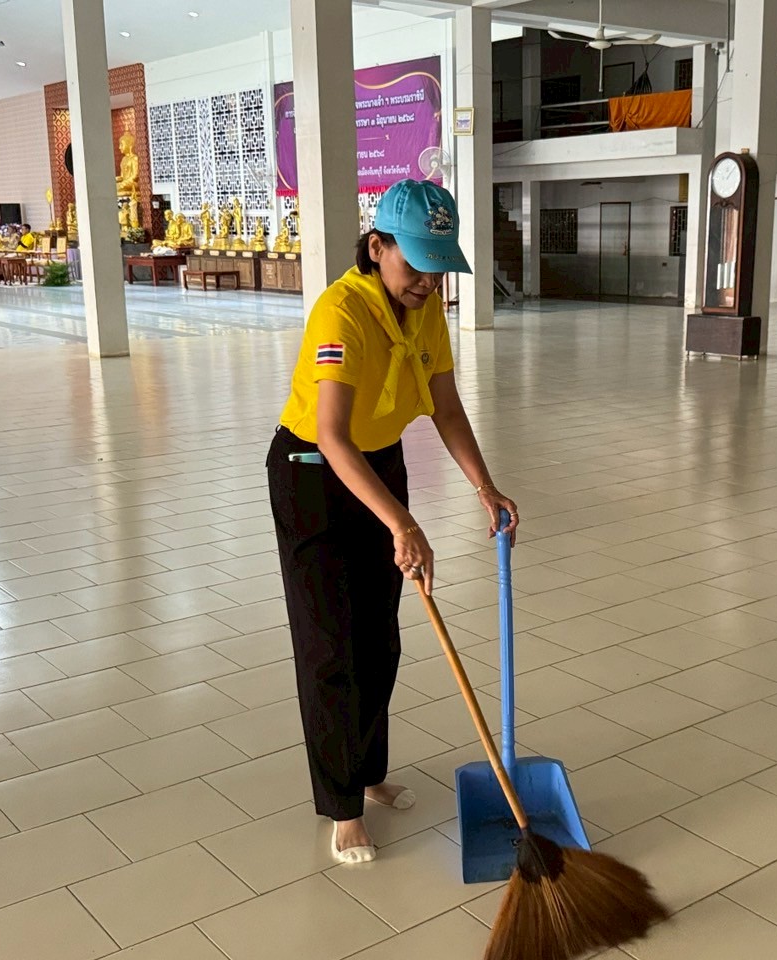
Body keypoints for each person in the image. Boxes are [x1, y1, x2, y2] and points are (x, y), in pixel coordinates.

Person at [267, 179, 517, 864]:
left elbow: (445, 406)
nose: (427, 283)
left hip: (378, 465)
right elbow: (332, 435)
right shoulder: (340, 312)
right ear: (377, 247)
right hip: (313, 473)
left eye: (438, 269)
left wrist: (485, 487)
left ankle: (369, 772)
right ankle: (342, 805)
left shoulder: (424, 310)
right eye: (416, 266)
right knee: (330, 647)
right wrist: (403, 525)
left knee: (380, 639)